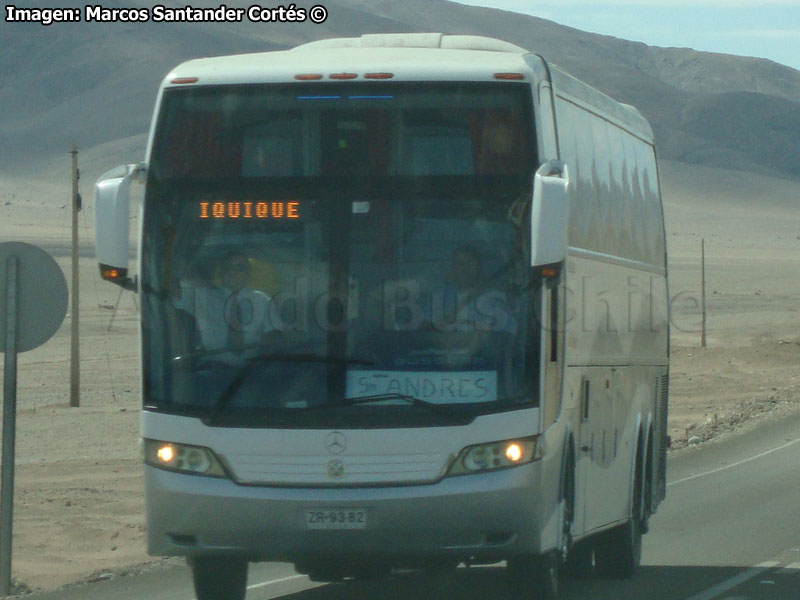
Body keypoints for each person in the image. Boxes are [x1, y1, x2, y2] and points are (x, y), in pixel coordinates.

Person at [174, 250, 275, 363]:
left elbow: (274, 337)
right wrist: (201, 281)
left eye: (240, 268)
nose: (233, 272)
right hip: (211, 372)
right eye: (228, 268)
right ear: (221, 272)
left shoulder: (262, 300)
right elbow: (170, 295)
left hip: (252, 372)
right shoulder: (201, 296)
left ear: (248, 273)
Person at [429, 245, 516, 335]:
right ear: (453, 268)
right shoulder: (439, 295)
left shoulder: (494, 298)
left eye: (470, 263)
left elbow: (508, 333)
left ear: (479, 267)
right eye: (460, 264)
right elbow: (423, 328)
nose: (465, 269)